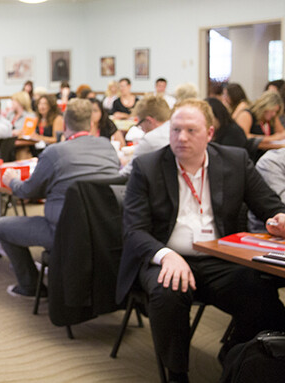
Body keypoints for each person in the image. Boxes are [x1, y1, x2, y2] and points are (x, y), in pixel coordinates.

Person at [116, 98, 285, 382]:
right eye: (175, 129)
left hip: (220, 259)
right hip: (165, 256)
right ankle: (177, 374)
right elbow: (134, 231)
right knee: (168, 290)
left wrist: (279, 217)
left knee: (261, 293)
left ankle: (236, 353)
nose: (181, 137)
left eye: (191, 130)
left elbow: (269, 205)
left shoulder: (235, 161)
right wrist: (167, 255)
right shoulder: (148, 167)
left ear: (209, 133)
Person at [0, 98, 120, 297]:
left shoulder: (54, 153)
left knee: (2, 226)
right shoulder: (107, 147)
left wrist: (12, 181)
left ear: (65, 123)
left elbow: (28, 192)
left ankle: (29, 286)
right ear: (90, 122)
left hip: (63, 231)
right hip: (104, 229)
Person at [119, 95, 172, 177]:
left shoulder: (150, 139)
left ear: (149, 121)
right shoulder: (175, 129)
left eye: (140, 124)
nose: (142, 129)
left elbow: (126, 172)